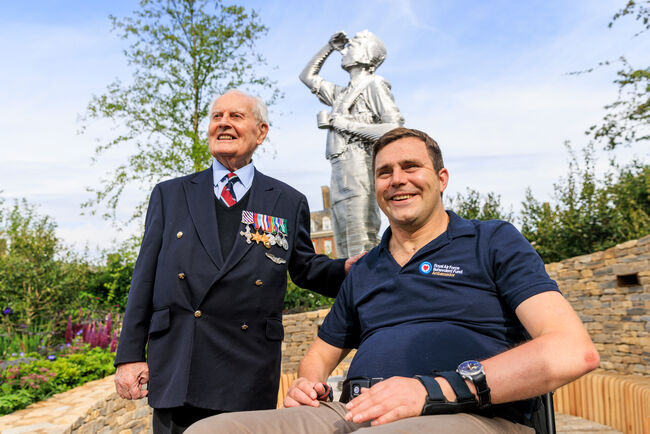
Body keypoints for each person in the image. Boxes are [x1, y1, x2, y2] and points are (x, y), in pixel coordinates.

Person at [186, 127, 600, 433]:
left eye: (411, 167)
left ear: (441, 179)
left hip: (470, 414)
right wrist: (308, 386)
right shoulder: (364, 269)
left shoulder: (491, 241)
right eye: (384, 172)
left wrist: (430, 390)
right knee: (209, 431)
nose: (397, 179)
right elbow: (317, 357)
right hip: (356, 410)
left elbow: (571, 350)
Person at [114, 89, 361, 433]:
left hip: (247, 363)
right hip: (181, 359)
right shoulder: (170, 195)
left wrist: (346, 269)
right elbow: (144, 278)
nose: (224, 124)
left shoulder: (287, 201)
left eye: (236, 116)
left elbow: (306, 268)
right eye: (217, 116)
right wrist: (129, 357)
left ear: (261, 132)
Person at [300, 30, 404, 258]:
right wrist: (329, 47)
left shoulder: (374, 85)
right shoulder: (341, 94)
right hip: (338, 171)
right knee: (343, 250)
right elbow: (307, 76)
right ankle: (348, 292)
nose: (345, 50)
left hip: (359, 170)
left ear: (366, 54)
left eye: (353, 45)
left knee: (361, 243)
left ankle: (365, 290)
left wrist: (344, 125)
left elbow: (395, 128)